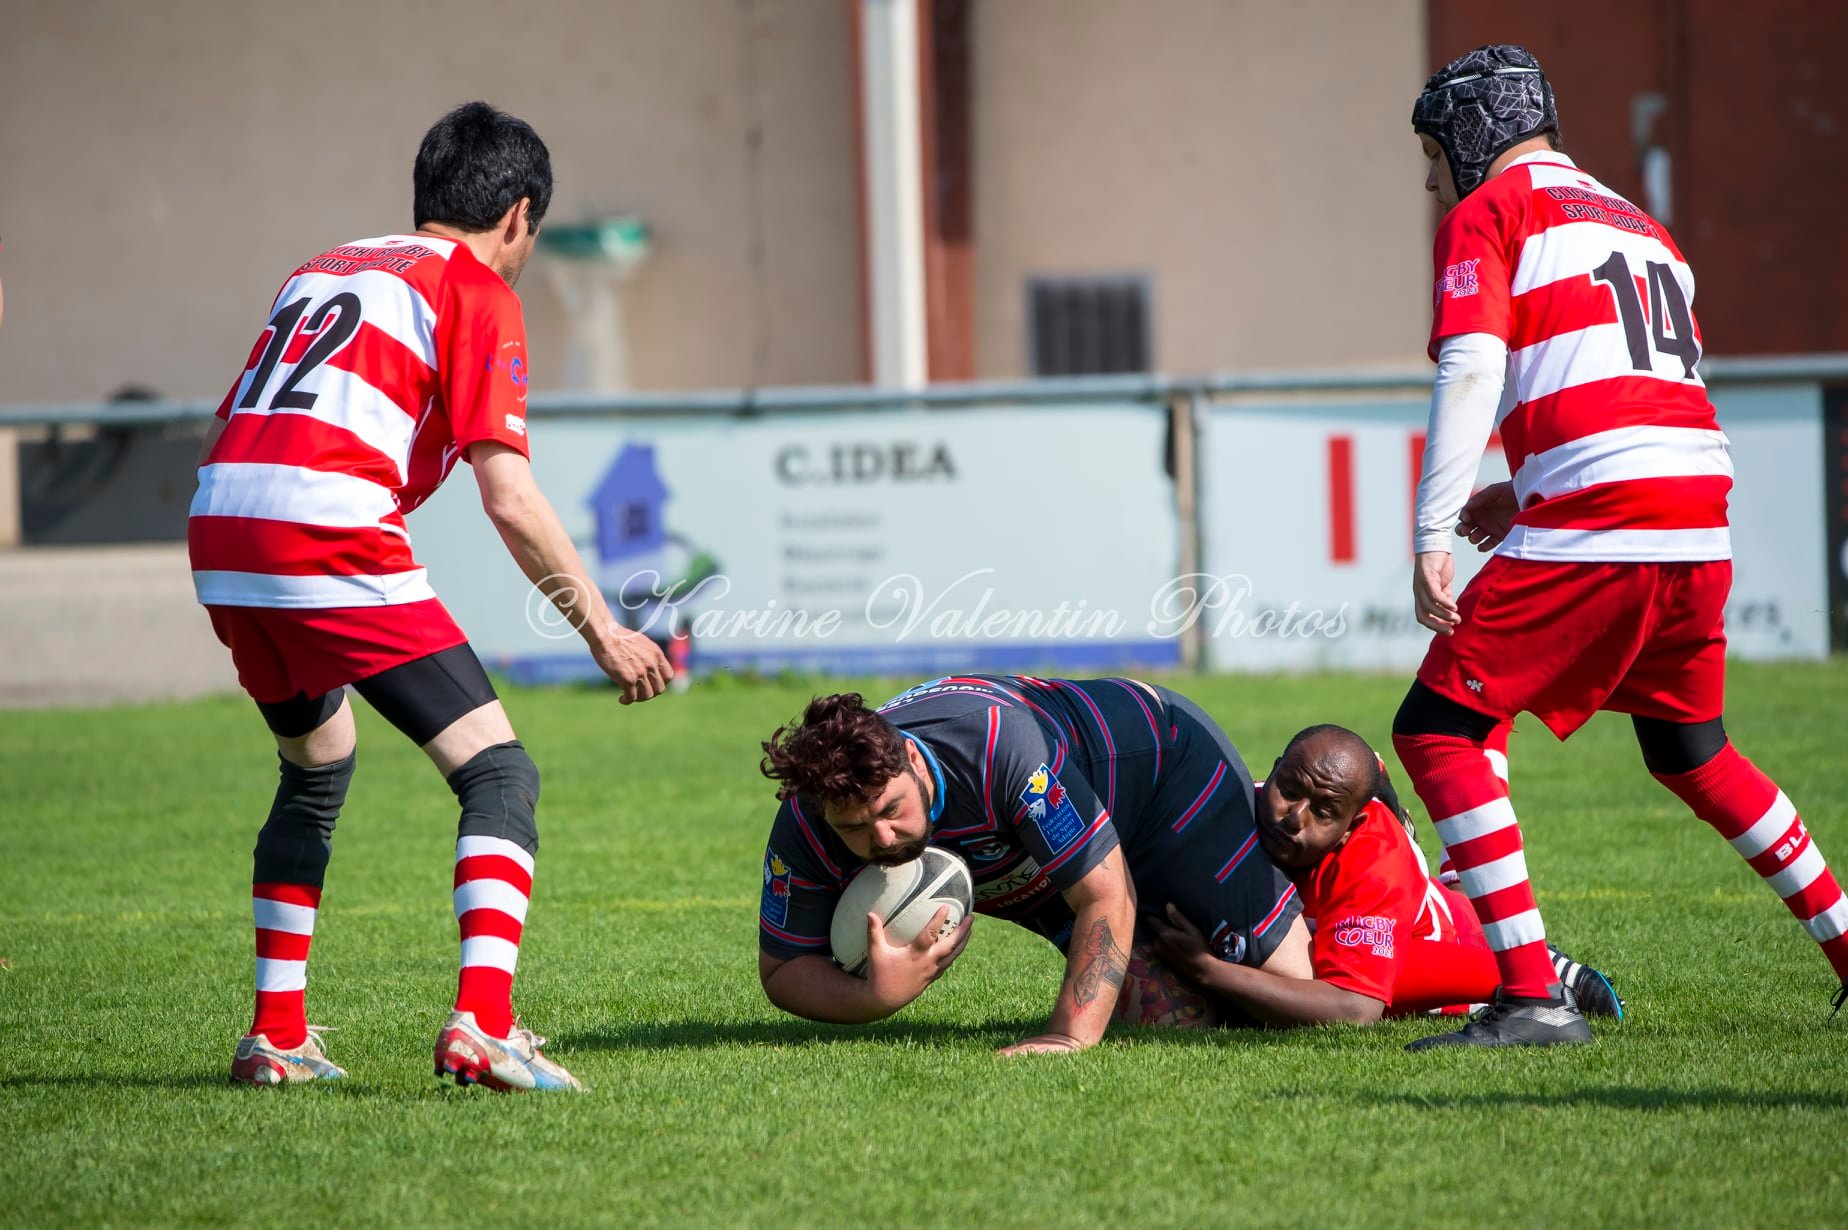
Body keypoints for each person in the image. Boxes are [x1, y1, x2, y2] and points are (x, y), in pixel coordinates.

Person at [189, 102, 672, 1091]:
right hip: (323, 525)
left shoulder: (323, 267)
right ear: (519, 216)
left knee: (317, 765)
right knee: (499, 773)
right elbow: (511, 495)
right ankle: (484, 1026)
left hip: (221, 523)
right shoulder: (477, 289)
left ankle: (277, 1035)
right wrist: (603, 629)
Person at [1392, 45, 1848, 1048]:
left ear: (1473, 134)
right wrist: (1532, 486)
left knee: (1440, 728)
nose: (1432, 180)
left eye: (1433, 152)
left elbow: (1471, 369)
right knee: (1693, 749)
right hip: (1697, 508)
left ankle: (1527, 996)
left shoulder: (1490, 213)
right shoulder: (1644, 227)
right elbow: (1647, 379)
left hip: (1614, 509)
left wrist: (1434, 526)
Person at [754, 675, 1310, 1054]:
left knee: (1294, 994)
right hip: (1048, 873)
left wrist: (1069, 1037)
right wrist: (874, 997)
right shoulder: (808, 818)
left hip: (1164, 776)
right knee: (1178, 1021)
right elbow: (782, 970)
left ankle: (1338, 844)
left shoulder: (999, 748)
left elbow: (1104, 895)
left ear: (914, 761)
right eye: (853, 827)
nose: (880, 837)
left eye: (891, 809)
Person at [1147, 725, 1621, 1028]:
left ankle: (1544, 963)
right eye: (1287, 789)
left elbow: (1353, 1010)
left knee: (1428, 957)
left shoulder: (1370, 858)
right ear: (1271, 773)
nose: (1293, 817)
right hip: (1382, 900)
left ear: (1350, 826)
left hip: (1442, 934)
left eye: (1324, 811)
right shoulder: (1236, 809)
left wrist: (1208, 970)